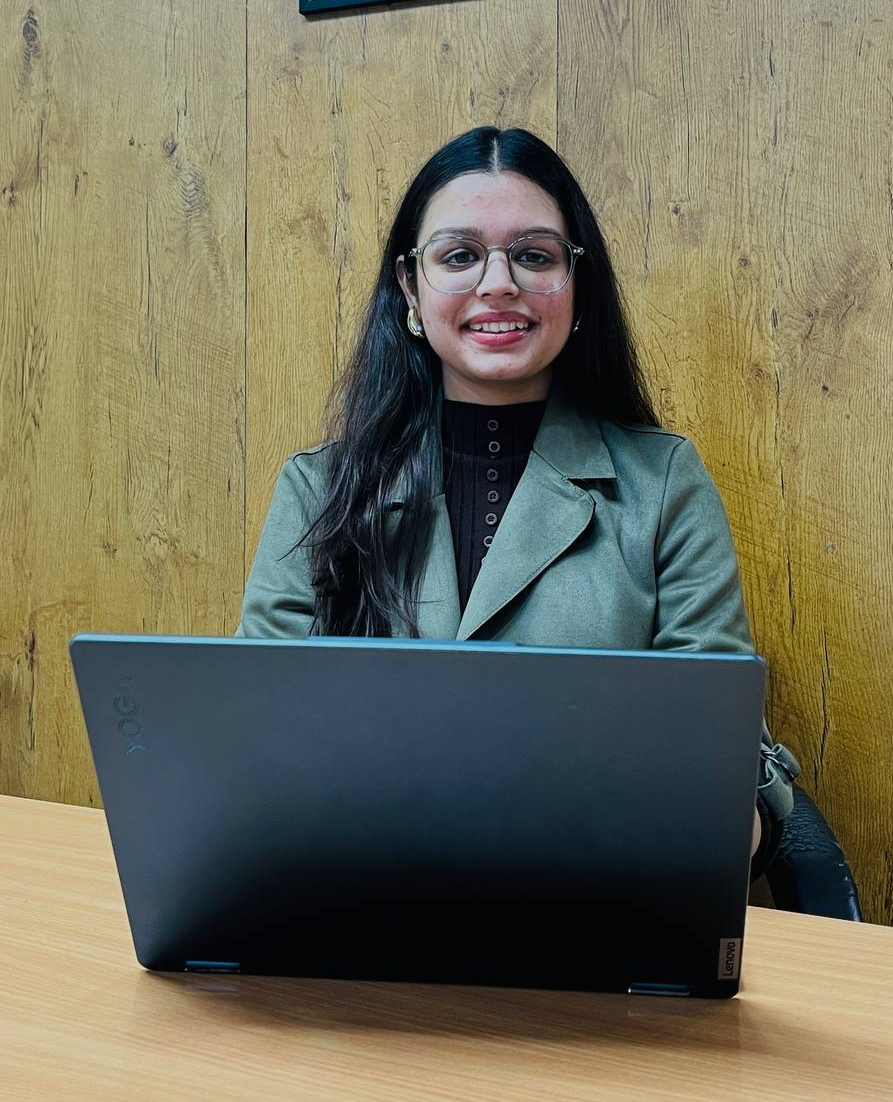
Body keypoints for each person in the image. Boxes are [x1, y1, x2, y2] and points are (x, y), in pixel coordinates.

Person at [236, 125, 799, 873]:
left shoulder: (664, 485)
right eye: (459, 256)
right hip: (360, 900)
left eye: (534, 256)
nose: (498, 282)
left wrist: (716, 816)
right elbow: (256, 750)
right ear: (409, 285)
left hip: (593, 904)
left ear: (576, 283)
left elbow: (721, 761)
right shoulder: (319, 491)